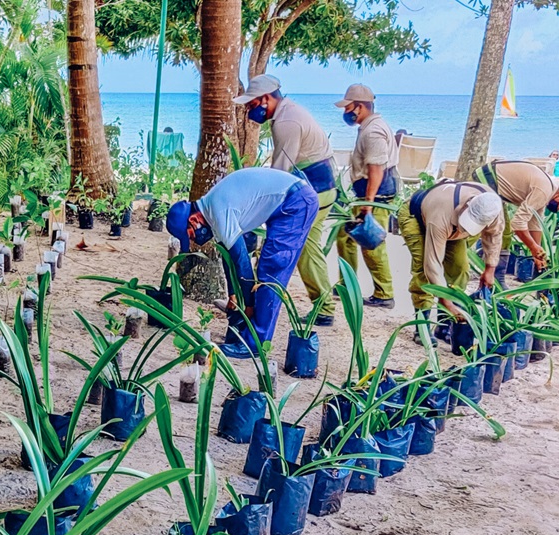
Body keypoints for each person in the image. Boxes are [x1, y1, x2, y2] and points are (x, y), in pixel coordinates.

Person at [166, 167, 320, 359]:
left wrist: (247, 304)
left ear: (194, 219)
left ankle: (255, 344)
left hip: (295, 204)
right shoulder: (212, 210)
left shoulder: (219, 211)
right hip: (285, 203)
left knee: (271, 273)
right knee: (265, 271)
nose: (195, 239)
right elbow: (228, 258)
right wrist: (233, 294)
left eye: (190, 233)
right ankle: (250, 331)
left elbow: (241, 261)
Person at [233, 74, 337, 326]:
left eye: (251, 104)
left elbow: (280, 174)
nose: (249, 110)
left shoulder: (286, 121)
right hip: (320, 186)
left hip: (316, 189)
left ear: (266, 99)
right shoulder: (287, 113)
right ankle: (324, 305)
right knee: (306, 248)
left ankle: (324, 307)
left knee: (304, 248)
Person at [396, 182, 504, 345]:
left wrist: (490, 268)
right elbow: (432, 264)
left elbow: (494, 237)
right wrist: (444, 299)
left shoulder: (493, 209)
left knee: (460, 269)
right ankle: (422, 327)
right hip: (416, 217)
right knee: (423, 272)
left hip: (452, 229)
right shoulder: (440, 215)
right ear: (466, 205)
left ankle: (445, 325)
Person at [335, 84, 400, 309]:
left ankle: (385, 293)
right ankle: (347, 282)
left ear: (360, 107)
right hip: (365, 193)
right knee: (345, 237)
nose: (346, 113)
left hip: (375, 194)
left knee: (372, 242)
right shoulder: (368, 127)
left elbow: (376, 169)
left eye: (348, 108)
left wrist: (369, 204)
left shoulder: (373, 132)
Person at [472, 159, 559, 274]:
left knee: (504, 235)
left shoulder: (547, 190)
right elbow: (518, 223)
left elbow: (535, 224)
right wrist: (532, 247)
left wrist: (538, 253)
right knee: (482, 228)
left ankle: (497, 278)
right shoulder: (544, 190)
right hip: (486, 182)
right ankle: (494, 277)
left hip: (492, 185)